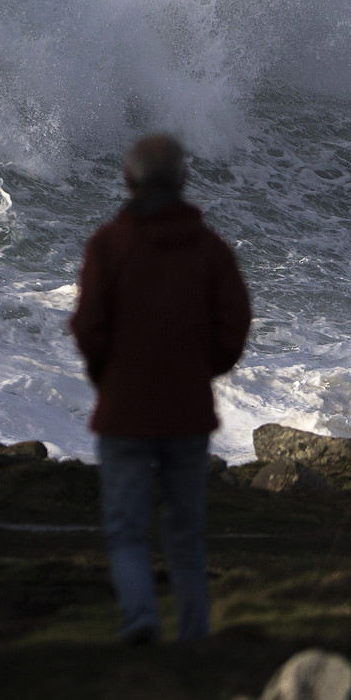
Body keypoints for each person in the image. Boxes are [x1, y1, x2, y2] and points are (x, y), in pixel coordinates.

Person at [68, 134, 252, 645]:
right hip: (188, 410)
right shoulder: (211, 251)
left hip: (125, 409)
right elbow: (235, 322)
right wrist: (205, 368)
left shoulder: (109, 244)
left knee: (127, 529)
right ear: (182, 181)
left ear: (129, 181)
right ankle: (194, 635)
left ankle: (140, 618)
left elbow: (86, 325)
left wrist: (107, 372)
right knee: (186, 534)